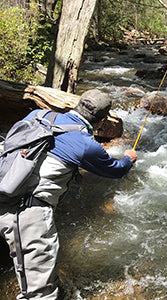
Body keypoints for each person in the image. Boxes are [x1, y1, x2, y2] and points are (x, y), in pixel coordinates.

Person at [0, 89, 137, 299]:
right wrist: (128, 158)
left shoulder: (38, 115)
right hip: (25, 212)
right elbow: (116, 170)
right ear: (101, 122)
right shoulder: (86, 145)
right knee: (40, 294)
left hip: (3, 187)